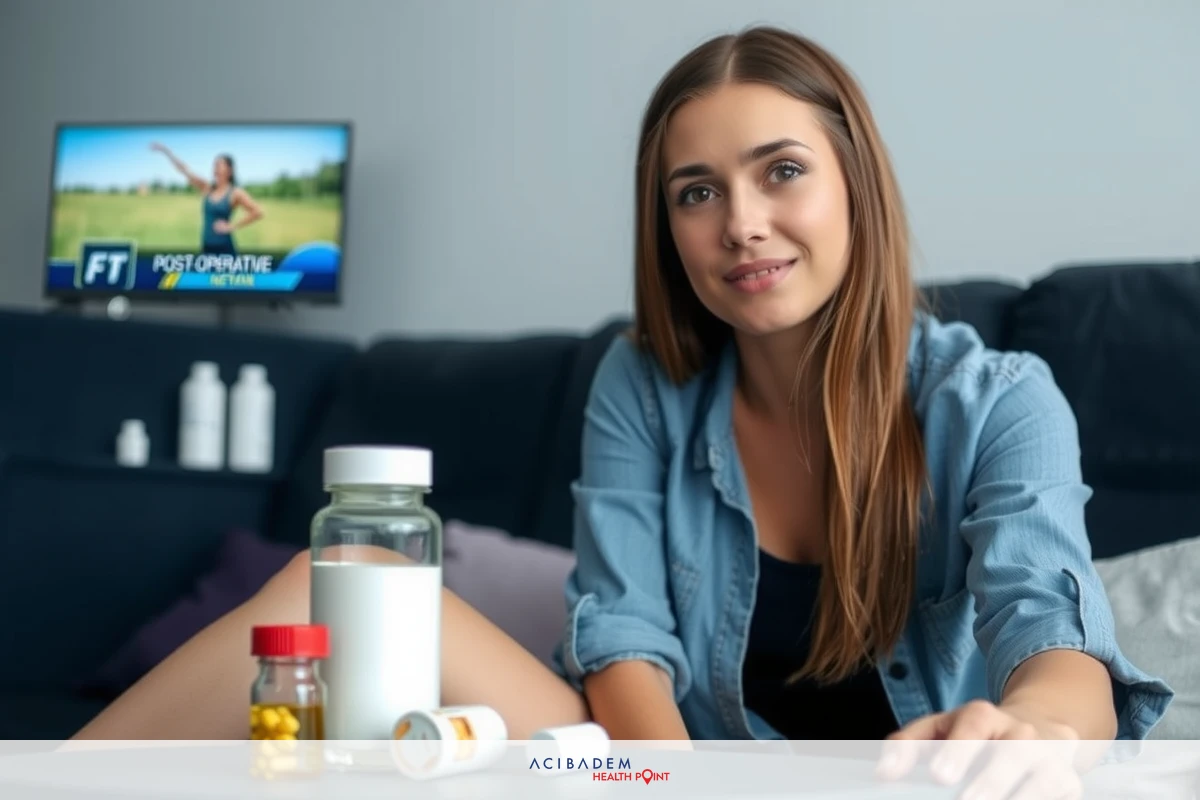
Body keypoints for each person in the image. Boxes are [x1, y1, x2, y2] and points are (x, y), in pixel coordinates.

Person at [76, 26, 1171, 753]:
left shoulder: (1000, 397)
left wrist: (1029, 733)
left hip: (892, 774)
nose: (740, 221)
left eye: (781, 171)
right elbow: (624, 641)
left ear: (855, 185)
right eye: (698, 191)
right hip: (665, 763)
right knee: (349, 567)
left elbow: (1051, 631)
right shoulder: (642, 383)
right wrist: (677, 790)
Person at [150, 142, 264, 255]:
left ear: (229, 170)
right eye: (214, 165)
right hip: (206, 248)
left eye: (219, 165)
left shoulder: (235, 193)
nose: (215, 168)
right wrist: (166, 152)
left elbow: (258, 212)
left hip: (225, 250)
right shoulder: (207, 188)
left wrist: (232, 226)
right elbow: (185, 171)